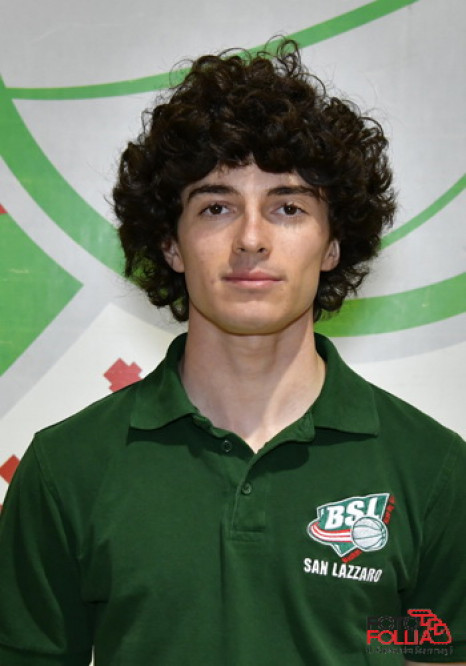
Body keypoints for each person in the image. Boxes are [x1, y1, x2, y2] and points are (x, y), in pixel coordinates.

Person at [0, 40, 465, 666]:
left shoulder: (432, 470)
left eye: (288, 207)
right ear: (170, 244)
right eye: (216, 207)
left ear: (333, 245)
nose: (251, 238)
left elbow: (434, 655)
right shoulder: (68, 468)